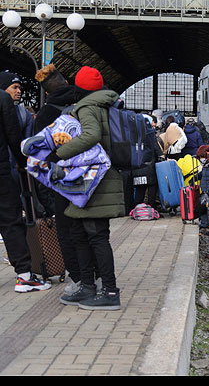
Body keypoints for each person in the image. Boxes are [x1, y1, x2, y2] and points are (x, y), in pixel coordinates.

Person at [53, 66, 125, 310]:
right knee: (80, 232)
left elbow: (92, 135)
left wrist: (60, 152)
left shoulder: (86, 107)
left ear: (79, 88)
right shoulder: (107, 104)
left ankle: (110, 291)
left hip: (96, 181)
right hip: (96, 179)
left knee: (96, 235)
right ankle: (87, 286)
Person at [34, 64, 89, 295]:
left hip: (62, 182)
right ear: (67, 82)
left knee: (66, 232)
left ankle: (77, 280)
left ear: (46, 92)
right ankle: (93, 275)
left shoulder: (46, 114)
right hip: (90, 176)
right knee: (90, 231)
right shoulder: (86, 103)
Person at [0, 85, 51, 292]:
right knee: (11, 221)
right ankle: (24, 275)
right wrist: (22, 163)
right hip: (1, 172)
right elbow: (13, 136)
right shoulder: (2, 99)